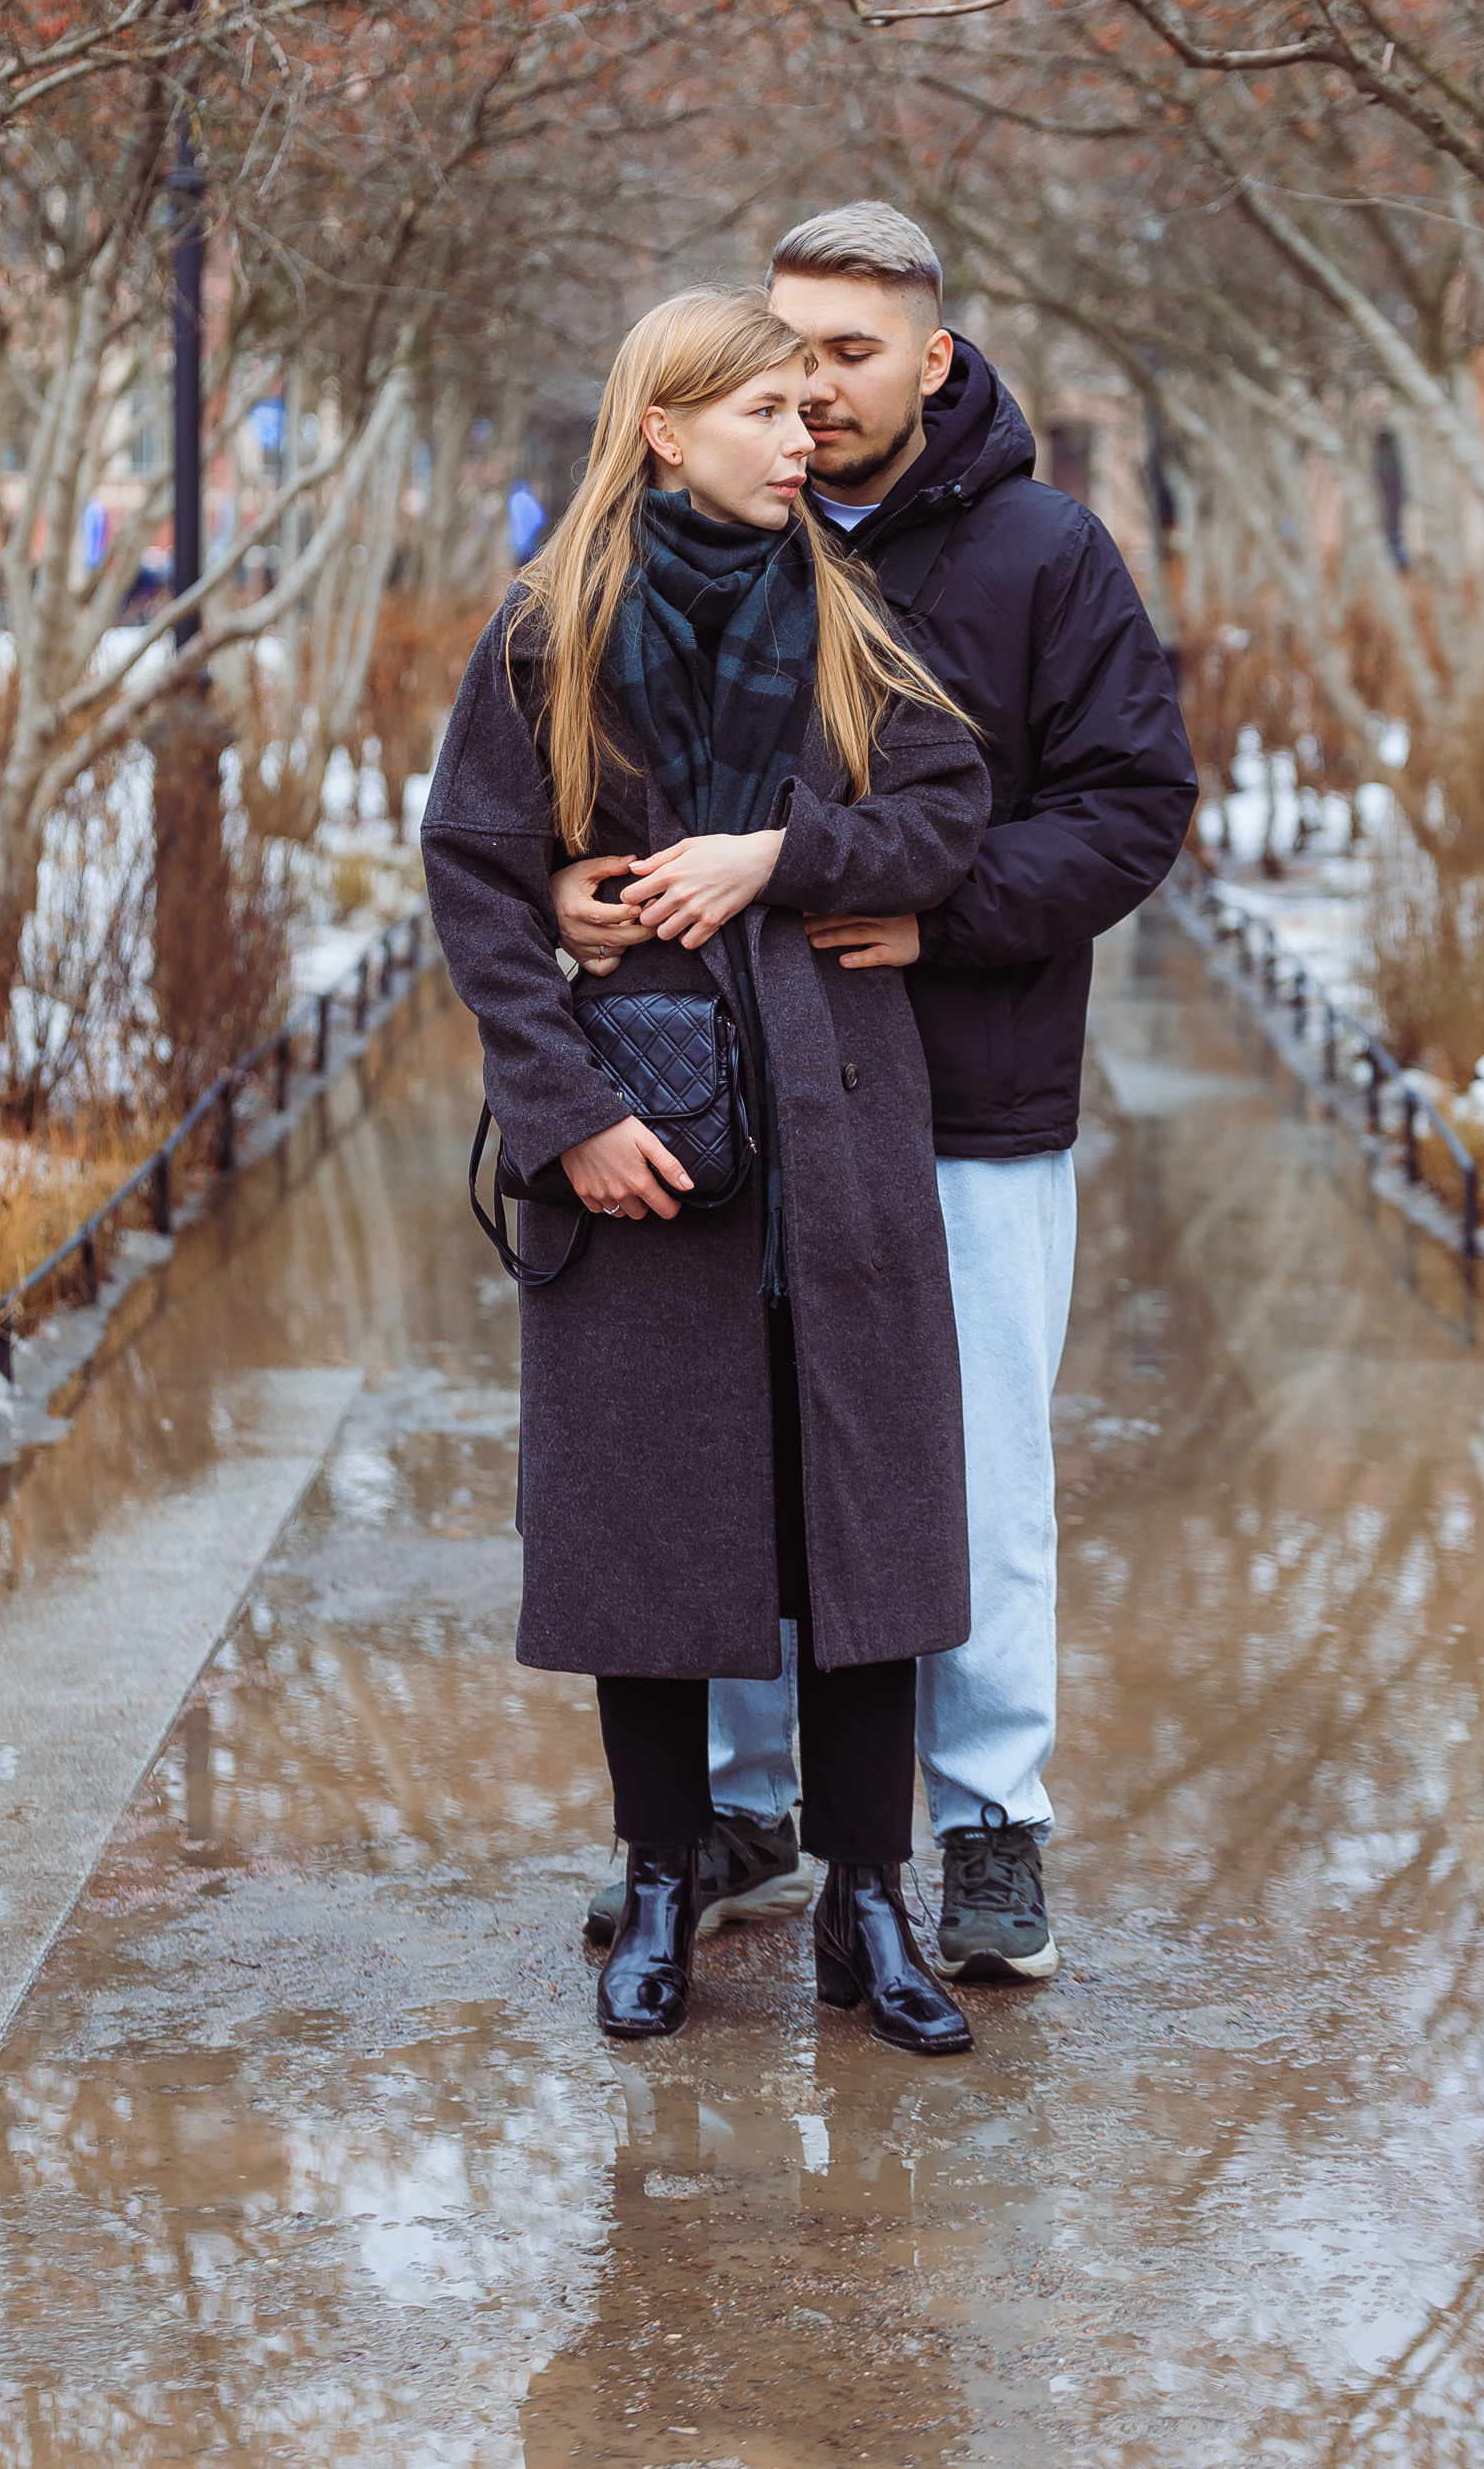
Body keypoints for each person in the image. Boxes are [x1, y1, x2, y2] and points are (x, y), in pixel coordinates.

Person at [560, 209, 1197, 1985]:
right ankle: (753, 1808)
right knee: (745, 1452)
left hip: (966, 1099)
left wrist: (939, 915)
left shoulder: (1041, 554)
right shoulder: (681, 540)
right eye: (790, 348)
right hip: (744, 1100)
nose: (816, 387)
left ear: (932, 357)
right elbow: (556, 795)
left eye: (853, 351)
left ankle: (989, 1824)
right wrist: (564, 895)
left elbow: (1131, 805)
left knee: (970, 1473)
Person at [420, 288, 991, 2053]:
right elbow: (478, 878)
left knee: (863, 1526)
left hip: (835, 1123)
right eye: (762, 412)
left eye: (806, 414)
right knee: (648, 1526)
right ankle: (662, 1879)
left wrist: (779, 855)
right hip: (640, 1137)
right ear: (665, 426)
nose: (799, 435)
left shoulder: (849, 609)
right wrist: (565, 1112)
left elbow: (947, 809)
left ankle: (866, 1906)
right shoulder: (549, 631)